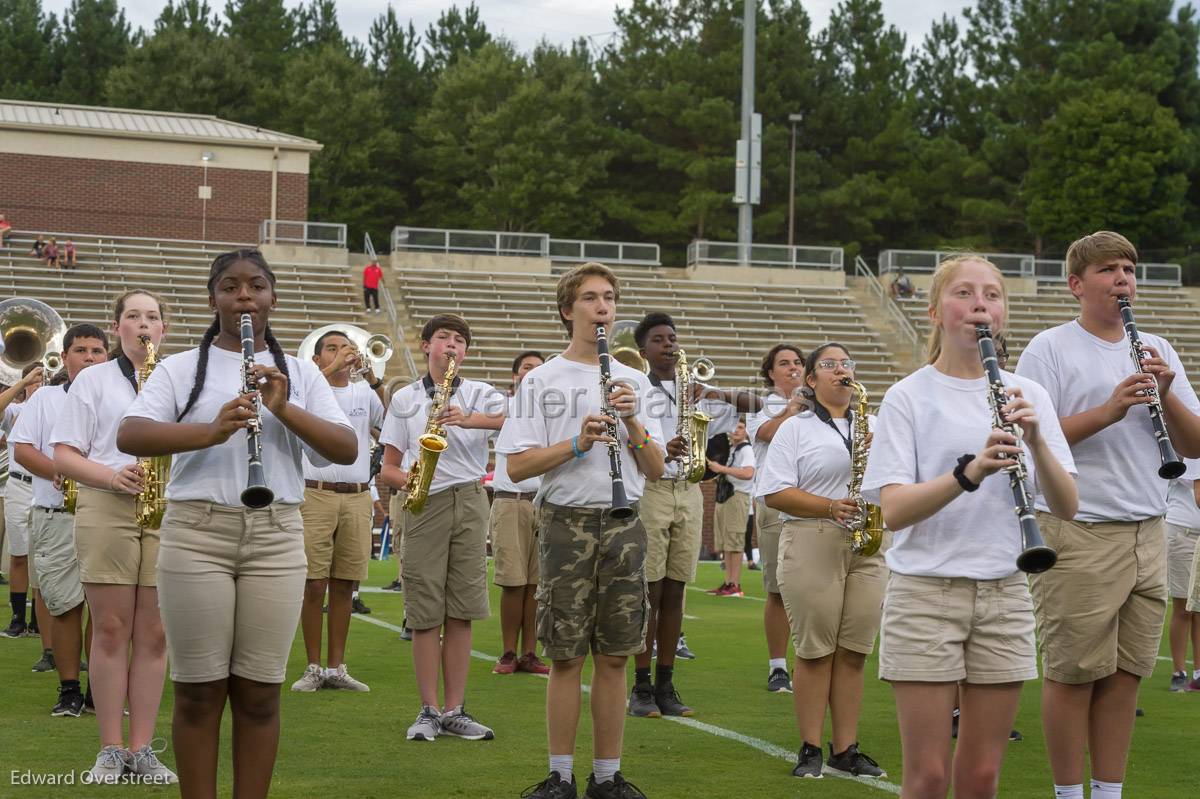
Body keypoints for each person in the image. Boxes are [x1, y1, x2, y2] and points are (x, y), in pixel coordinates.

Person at [116, 249, 357, 798]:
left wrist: (283, 407)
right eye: (230, 287)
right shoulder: (180, 367)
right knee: (199, 692)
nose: (244, 296)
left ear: (272, 296)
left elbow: (344, 450)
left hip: (276, 535)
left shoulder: (297, 372)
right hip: (197, 533)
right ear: (213, 299)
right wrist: (211, 430)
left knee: (259, 693)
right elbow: (130, 435)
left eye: (256, 286)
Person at [863, 254, 1078, 799]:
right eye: (964, 293)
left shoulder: (1031, 394)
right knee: (929, 774)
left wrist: (1034, 443)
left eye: (992, 294)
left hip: (1005, 591)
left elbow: (1068, 504)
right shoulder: (908, 396)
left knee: (982, 774)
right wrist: (970, 472)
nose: (980, 303)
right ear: (935, 310)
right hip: (926, 591)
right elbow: (891, 510)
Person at [1016, 231, 1200, 799]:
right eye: (1108, 270)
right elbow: (1031, 442)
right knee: (1074, 675)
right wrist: (1110, 409)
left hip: (1151, 526)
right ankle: (1069, 792)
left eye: (1128, 268)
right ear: (1077, 284)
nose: (1124, 278)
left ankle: (1108, 791)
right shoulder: (1048, 349)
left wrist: (1164, 393)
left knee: (1126, 677)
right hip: (1079, 529)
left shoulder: (1159, 348)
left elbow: (1193, 445)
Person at [500, 262, 664, 799]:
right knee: (566, 655)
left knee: (616, 654)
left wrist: (632, 422)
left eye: (610, 298)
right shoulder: (540, 380)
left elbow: (658, 468)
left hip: (624, 522)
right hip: (566, 522)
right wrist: (577, 441)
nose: (603, 307)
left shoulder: (635, 380)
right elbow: (518, 468)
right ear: (568, 310)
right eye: (591, 298)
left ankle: (608, 777)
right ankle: (561, 774)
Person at [51, 290, 176, 782]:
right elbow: (63, 454)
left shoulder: (180, 377)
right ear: (117, 327)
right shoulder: (94, 380)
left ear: (163, 328)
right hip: (107, 504)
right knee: (109, 629)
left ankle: (143, 749)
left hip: (167, 506)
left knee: (155, 632)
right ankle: (110, 748)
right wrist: (109, 476)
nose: (143, 325)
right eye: (133, 317)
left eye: (152, 317)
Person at [760, 343, 887, 779]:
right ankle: (811, 746)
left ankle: (846, 748)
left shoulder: (875, 423)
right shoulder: (795, 428)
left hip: (867, 543)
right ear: (811, 381)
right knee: (816, 651)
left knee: (854, 652)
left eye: (846, 363)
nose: (840, 370)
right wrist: (828, 506)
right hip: (813, 536)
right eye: (829, 365)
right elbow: (774, 492)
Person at [379, 313, 503, 742]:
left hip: (469, 499)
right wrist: (412, 481)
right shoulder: (406, 398)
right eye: (444, 338)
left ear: (465, 352)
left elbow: (515, 422)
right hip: (423, 500)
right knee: (426, 611)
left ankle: (456, 709)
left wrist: (469, 419)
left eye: (460, 341)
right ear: (427, 346)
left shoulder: (482, 393)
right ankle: (429, 709)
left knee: (463, 609)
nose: (452, 346)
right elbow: (388, 467)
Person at [627, 311, 755, 718]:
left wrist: (711, 392)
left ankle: (666, 683)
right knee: (651, 591)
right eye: (660, 340)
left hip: (689, 490)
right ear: (644, 349)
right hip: (652, 488)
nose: (669, 345)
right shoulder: (636, 388)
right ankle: (641, 685)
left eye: (673, 338)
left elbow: (757, 403)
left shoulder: (693, 388)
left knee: (677, 589)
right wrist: (663, 447)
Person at [12, 324, 110, 718]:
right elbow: (21, 449)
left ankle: (98, 691)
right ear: (64, 357)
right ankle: (69, 689)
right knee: (65, 606)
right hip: (57, 512)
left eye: (98, 351)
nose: (89, 357)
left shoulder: (121, 394)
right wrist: (60, 468)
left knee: (106, 609)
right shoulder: (46, 398)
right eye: (81, 350)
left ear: (108, 357)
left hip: (106, 511)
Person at [291, 329, 387, 694]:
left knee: (346, 583)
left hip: (358, 494)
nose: (343, 352)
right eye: (331, 348)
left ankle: (337, 667)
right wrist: (332, 369)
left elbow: (393, 420)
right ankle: (313, 666)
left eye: (346, 347)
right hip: (316, 493)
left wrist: (374, 377)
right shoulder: (310, 389)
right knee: (314, 583)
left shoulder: (364, 390)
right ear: (315, 360)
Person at [746, 343, 807, 693]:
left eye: (798, 362)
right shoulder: (761, 403)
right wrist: (795, 406)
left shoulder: (818, 406)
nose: (793, 368)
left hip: (810, 500)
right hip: (773, 501)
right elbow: (768, 433)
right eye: (784, 363)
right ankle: (778, 667)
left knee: (811, 587)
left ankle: (809, 661)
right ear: (770, 372)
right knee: (777, 589)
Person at [492, 349, 551, 676]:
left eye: (538, 370)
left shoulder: (550, 408)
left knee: (536, 585)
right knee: (513, 582)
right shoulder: (504, 404)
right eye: (526, 368)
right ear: (516, 377)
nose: (532, 374)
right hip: (511, 500)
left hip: (542, 502)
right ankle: (507, 651)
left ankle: (530, 652)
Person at [0, 364, 44, 640]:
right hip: (18, 485)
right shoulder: (16, 410)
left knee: (44, 557)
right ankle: (17, 618)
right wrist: (23, 382)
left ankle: (39, 618)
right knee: (19, 554)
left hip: (44, 486)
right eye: (34, 379)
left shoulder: (55, 404)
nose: (39, 384)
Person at [706, 420, 755, 597]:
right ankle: (728, 583)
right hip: (726, 497)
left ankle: (735, 584)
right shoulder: (732, 449)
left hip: (737, 497)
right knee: (726, 543)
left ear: (746, 432)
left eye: (741, 427)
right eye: (734, 427)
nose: (736, 430)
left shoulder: (746, 449)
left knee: (734, 543)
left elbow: (749, 473)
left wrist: (722, 469)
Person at [1166, 460, 1200, 691]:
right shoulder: (1193, 447)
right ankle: (1179, 671)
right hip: (1183, 533)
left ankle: (1198, 671)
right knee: (1184, 608)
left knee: (1198, 608)